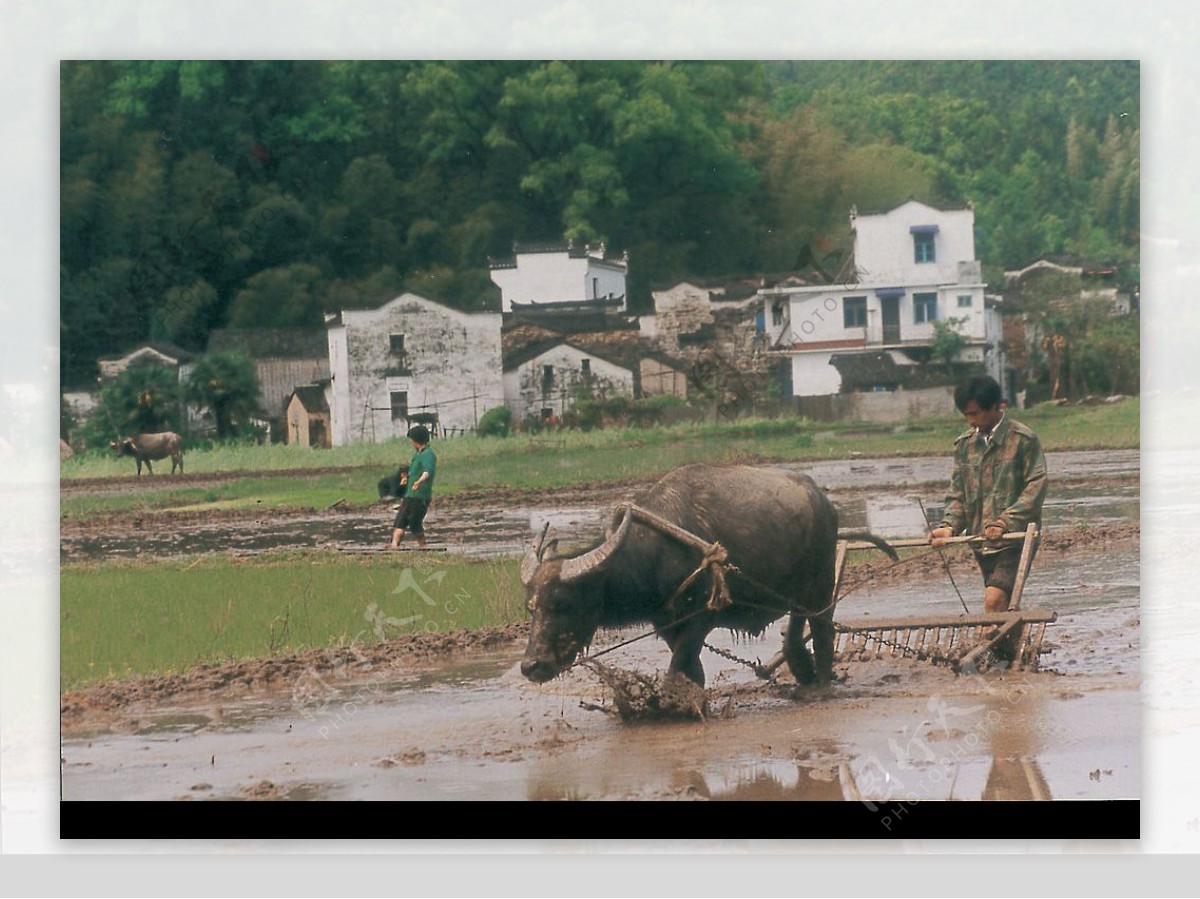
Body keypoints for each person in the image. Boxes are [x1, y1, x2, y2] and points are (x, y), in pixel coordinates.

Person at [930, 375, 1047, 614]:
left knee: (993, 600)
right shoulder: (965, 445)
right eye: (966, 415)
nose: (970, 421)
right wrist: (949, 526)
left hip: (1015, 539)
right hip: (981, 541)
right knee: (1002, 604)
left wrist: (1005, 522)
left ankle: (991, 651)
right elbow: (958, 493)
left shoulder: (1022, 440)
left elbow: (1036, 486)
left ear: (995, 407)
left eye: (975, 414)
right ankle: (1013, 648)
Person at [389, 425, 436, 549]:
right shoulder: (417, 455)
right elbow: (413, 472)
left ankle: (423, 546)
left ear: (416, 440)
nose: (411, 442)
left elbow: (428, 471)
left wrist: (419, 482)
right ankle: (394, 546)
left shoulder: (428, 454)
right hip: (410, 495)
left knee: (414, 523)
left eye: (411, 439)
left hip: (420, 497)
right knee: (400, 521)